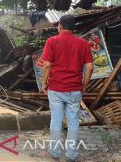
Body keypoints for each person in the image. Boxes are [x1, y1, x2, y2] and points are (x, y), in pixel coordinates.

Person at [41, 15, 93, 162]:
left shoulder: (52, 41)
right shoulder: (83, 43)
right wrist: (84, 85)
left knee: (56, 121)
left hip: (56, 89)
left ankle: (55, 154)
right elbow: (89, 67)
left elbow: (46, 65)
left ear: (60, 27)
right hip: (75, 90)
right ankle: (71, 156)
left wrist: (44, 83)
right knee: (73, 123)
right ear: (74, 27)